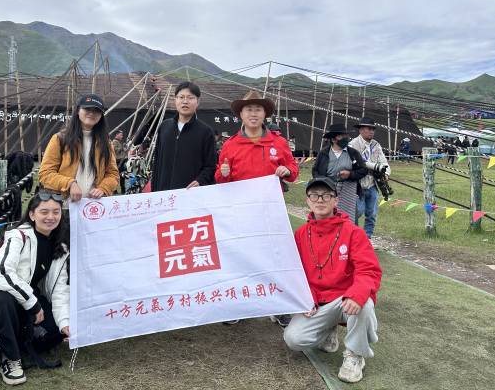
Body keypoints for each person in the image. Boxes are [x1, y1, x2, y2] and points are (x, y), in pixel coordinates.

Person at [0, 192, 70, 385]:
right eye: (44, 212)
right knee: (3, 299)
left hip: (28, 297)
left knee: (56, 331)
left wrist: (65, 323)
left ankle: (18, 340)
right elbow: (1, 274)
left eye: (56, 212)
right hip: (3, 295)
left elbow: (59, 290)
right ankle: (10, 358)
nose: (50, 217)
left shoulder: (60, 247)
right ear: (32, 215)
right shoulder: (18, 236)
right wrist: (33, 304)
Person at [283, 177, 381, 384]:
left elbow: (369, 270)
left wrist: (356, 295)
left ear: (336, 200)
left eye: (326, 195)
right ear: (307, 201)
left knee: (364, 302)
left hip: (345, 300)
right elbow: (295, 273)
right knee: (293, 339)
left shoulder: (353, 232)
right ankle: (329, 330)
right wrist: (307, 298)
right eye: (314, 195)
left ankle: (355, 355)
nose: (320, 200)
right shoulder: (300, 235)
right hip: (318, 303)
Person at [215, 90, 299, 326]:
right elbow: (221, 180)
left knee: (275, 257)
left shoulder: (278, 143)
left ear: (265, 114)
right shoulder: (230, 145)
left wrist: (286, 170)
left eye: (258, 109)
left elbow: (293, 170)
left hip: (271, 213)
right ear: (241, 114)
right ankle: (240, 306)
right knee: (241, 258)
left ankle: (279, 306)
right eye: (248, 109)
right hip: (240, 213)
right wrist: (223, 174)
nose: (253, 114)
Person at [39, 93, 119, 201]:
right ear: (78, 111)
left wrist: (103, 188)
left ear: (101, 116)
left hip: (93, 206)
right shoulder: (60, 139)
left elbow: (113, 174)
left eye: (97, 111)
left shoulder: (106, 143)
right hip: (64, 205)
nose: (92, 113)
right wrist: (70, 183)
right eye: (87, 109)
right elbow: (45, 174)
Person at [151, 82, 217, 191]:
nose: (185, 101)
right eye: (181, 97)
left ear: (198, 102)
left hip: (190, 193)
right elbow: (157, 162)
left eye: (190, 98)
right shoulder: (164, 127)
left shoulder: (206, 132)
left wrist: (200, 181)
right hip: (164, 192)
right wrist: (154, 191)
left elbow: (210, 166)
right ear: (175, 100)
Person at [312, 123, 367, 223]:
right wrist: (323, 182)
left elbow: (363, 170)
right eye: (341, 136)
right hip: (327, 191)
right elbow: (315, 171)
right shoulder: (323, 153)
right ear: (333, 139)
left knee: (348, 221)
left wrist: (350, 174)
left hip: (348, 192)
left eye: (346, 135)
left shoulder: (353, 153)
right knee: (326, 220)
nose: (346, 138)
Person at [349, 117, 390, 238]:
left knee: (372, 214)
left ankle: (367, 237)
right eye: (369, 128)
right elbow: (353, 163)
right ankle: (354, 236)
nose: (372, 131)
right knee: (357, 212)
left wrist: (386, 173)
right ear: (361, 130)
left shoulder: (376, 145)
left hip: (373, 183)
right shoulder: (352, 145)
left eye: (373, 129)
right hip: (357, 184)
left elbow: (384, 162)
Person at [112, 129, 127, 194]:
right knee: (118, 176)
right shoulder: (114, 142)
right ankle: (115, 190)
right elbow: (115, 150)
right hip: (118, 162)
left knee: (122, 176)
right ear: (117, 135)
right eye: (121, 135)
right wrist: (122, 148)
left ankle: (122, 189)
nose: (122, 136)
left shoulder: (119, 142)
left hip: (121, 161)